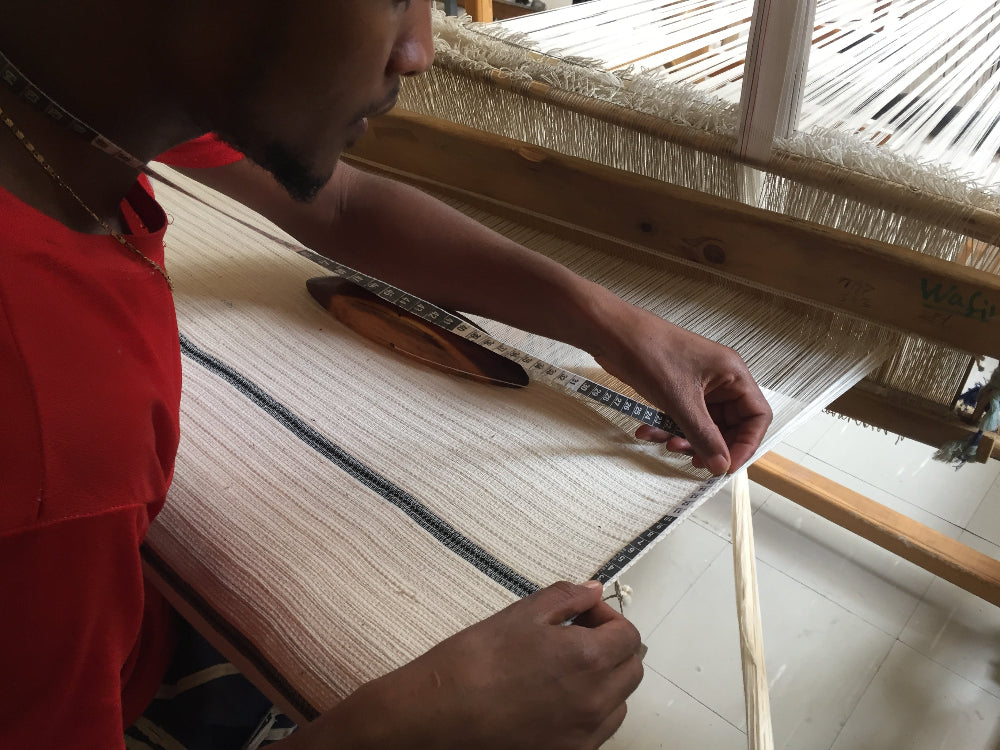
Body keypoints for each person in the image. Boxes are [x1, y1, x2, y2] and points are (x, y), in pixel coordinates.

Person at [0, 1, 772, 748]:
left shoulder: (82, 91)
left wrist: (612, 323)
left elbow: (340, 205)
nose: (420, 49)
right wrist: (409, 731)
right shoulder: (55, 429)